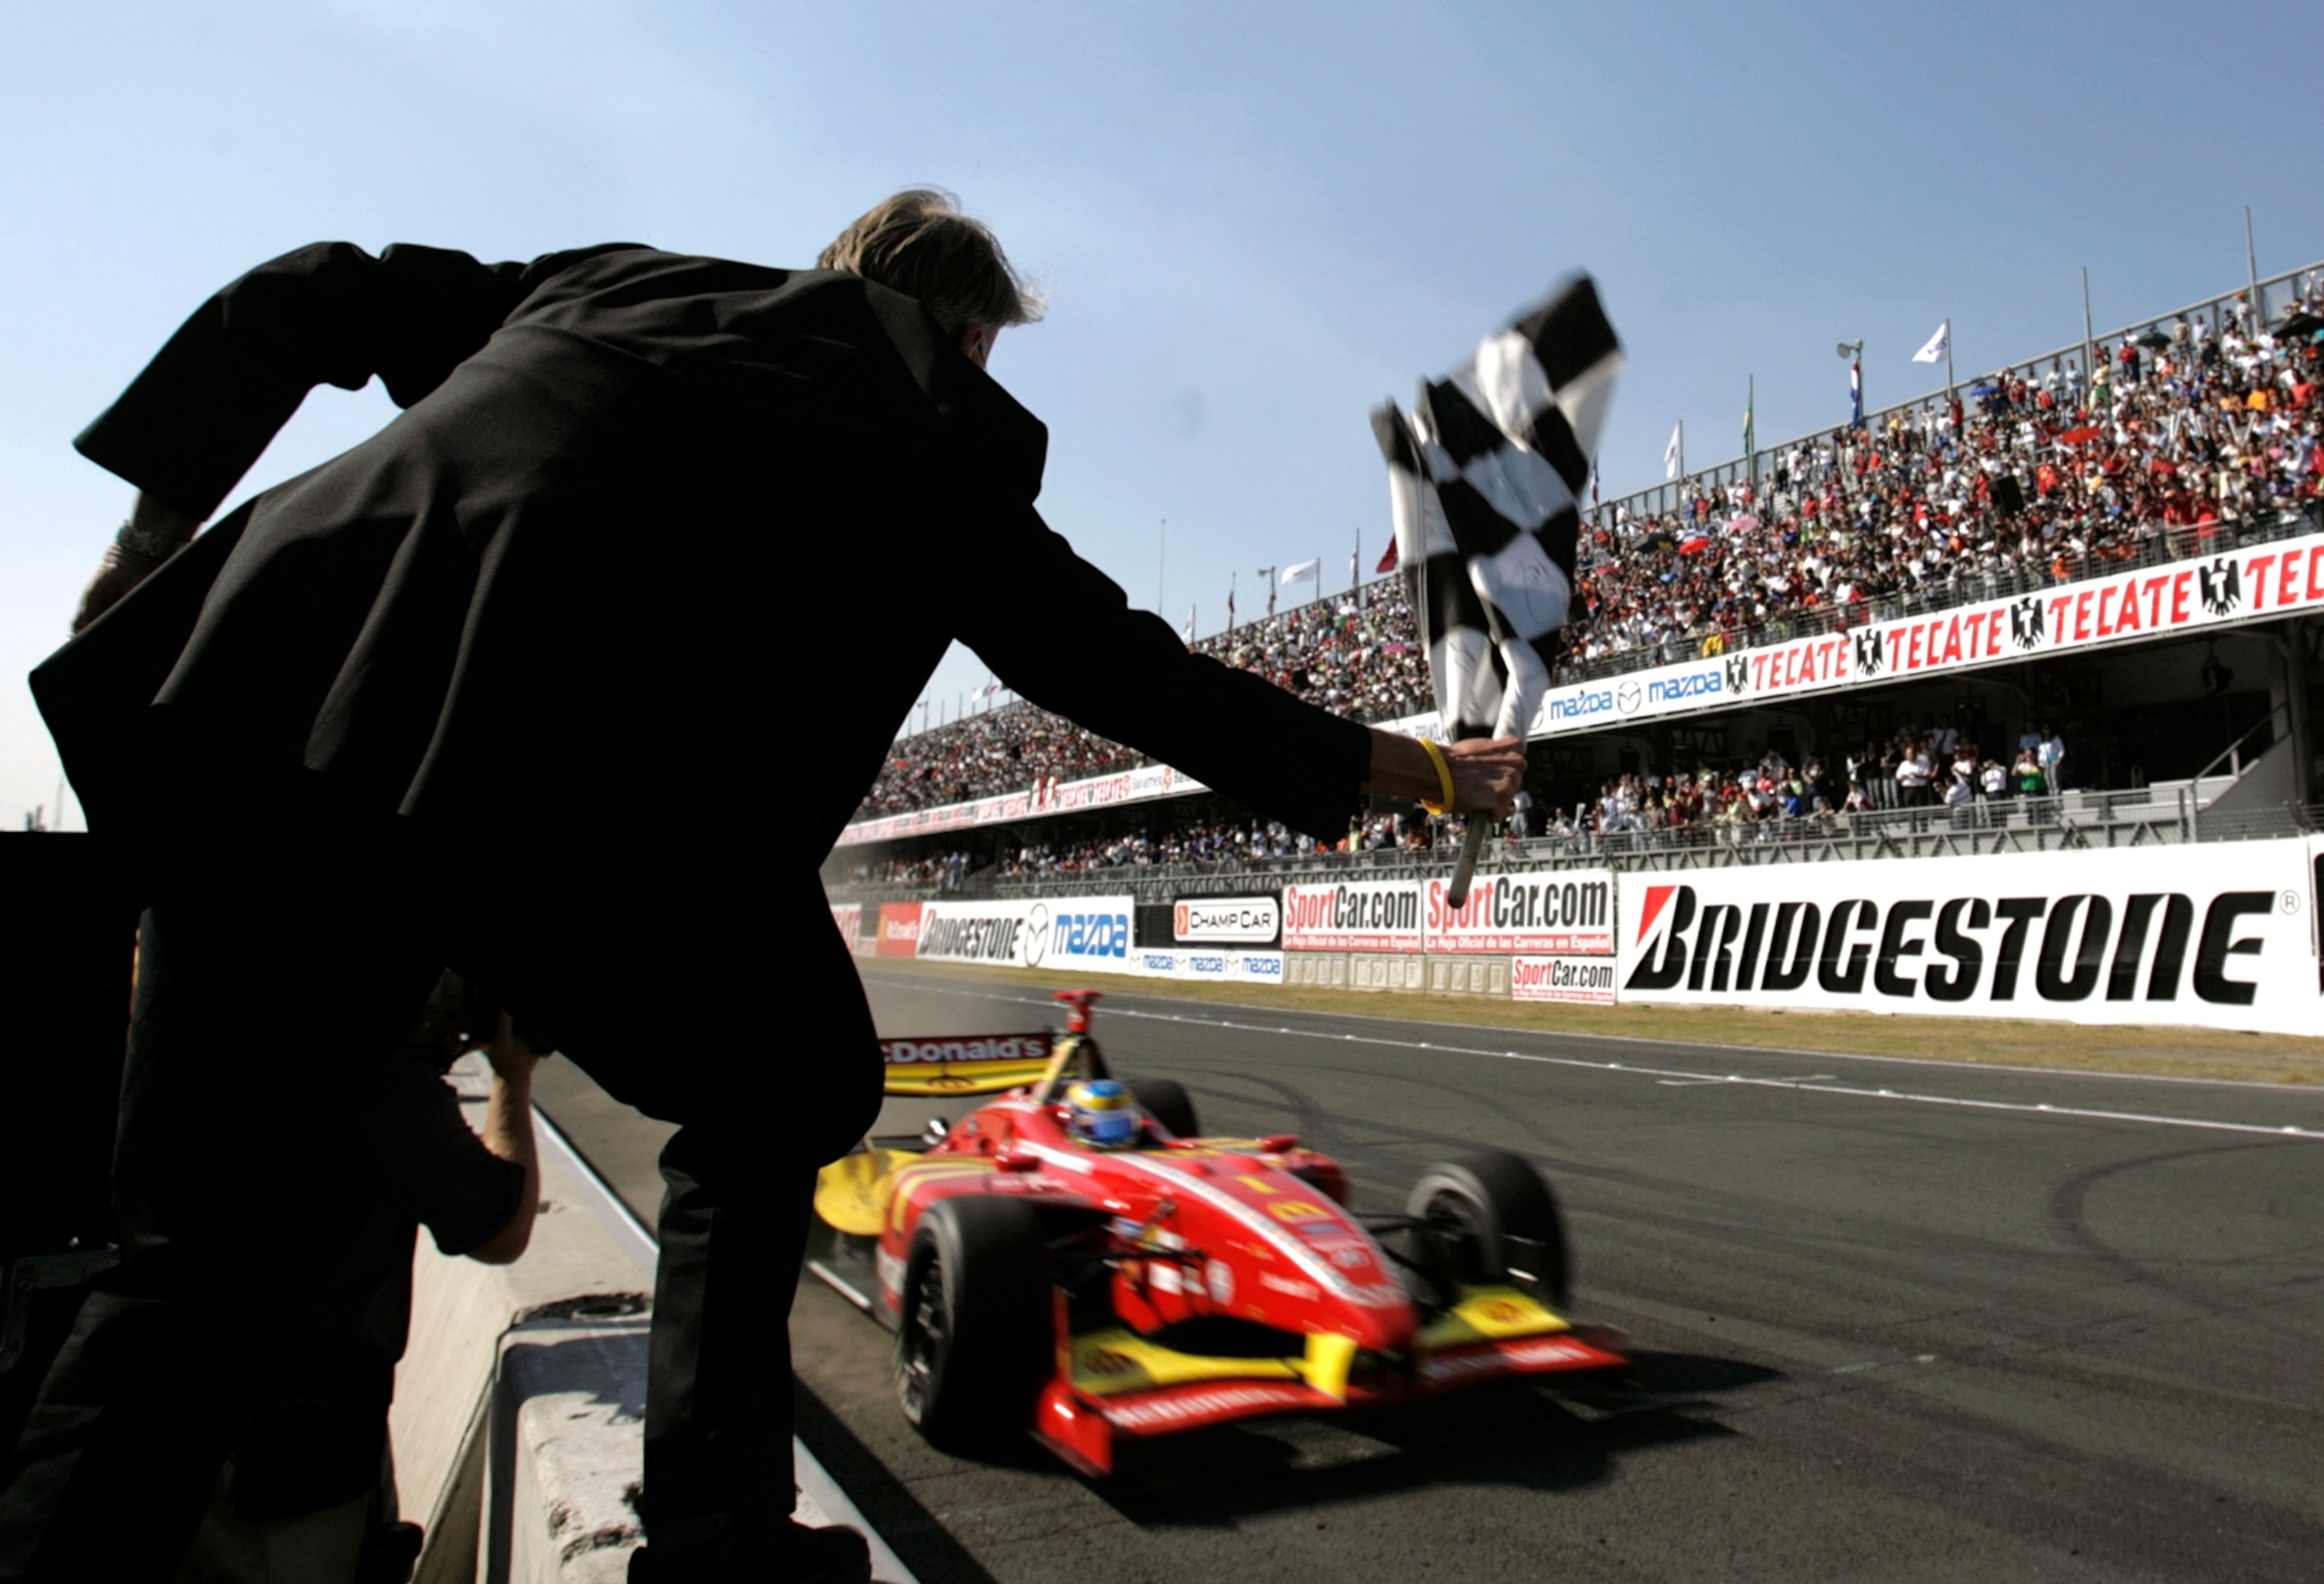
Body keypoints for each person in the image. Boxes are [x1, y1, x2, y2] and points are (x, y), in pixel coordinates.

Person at [1, 192, 1522, 1584]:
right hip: (553, 787)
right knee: (794, 1084)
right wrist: (1419, 772)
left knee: (192, 1267)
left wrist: (149, 528)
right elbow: (1129, 674)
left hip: (254, 712)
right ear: (970, 335)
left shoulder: (609, 284)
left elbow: (321, 286)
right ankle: (717, 1549)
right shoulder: (939, 437)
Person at [178, 973, 542, 1584]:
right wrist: (513, 1073)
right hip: (291, 1465)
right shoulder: (368, 1060)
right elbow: (499, 1230)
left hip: (160, 1426)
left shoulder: (180, 1033)